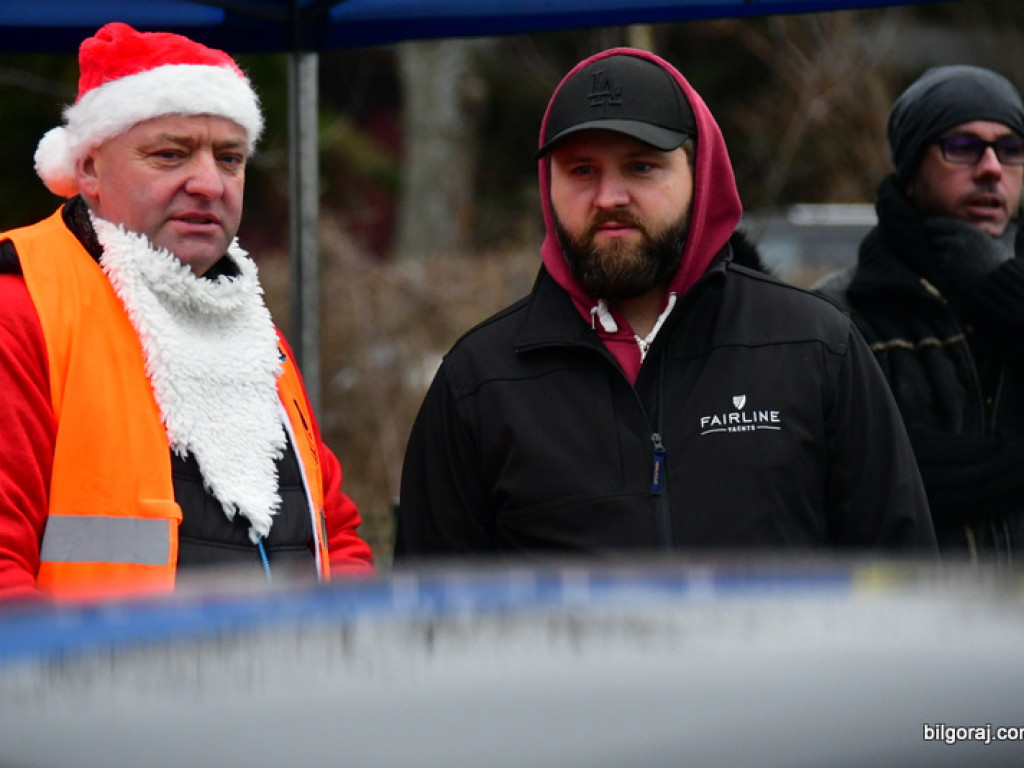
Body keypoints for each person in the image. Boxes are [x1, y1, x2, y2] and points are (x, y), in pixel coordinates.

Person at [394, 47, 936, 559]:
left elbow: (903, 577)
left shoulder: (814, 348)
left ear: (701, 177)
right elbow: (428, 611)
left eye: (641, 166)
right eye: (581, 170)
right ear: (547, 185)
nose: (609, 197)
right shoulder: (478, 385)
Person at [0, 22, 373, 601]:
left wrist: (352, 638)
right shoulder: (20, 308)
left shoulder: (254, 331)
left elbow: (335, 535)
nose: (208, 184)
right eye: (170, 154)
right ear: (89, 168)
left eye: (230, 159)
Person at [814, 65, 1024, 558]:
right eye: (962, 147)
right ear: (911, 173)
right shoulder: (841, 315)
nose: (991, 168)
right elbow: (873, 481)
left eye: (1011, 148)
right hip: (914, 602)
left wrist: (1003, 287)